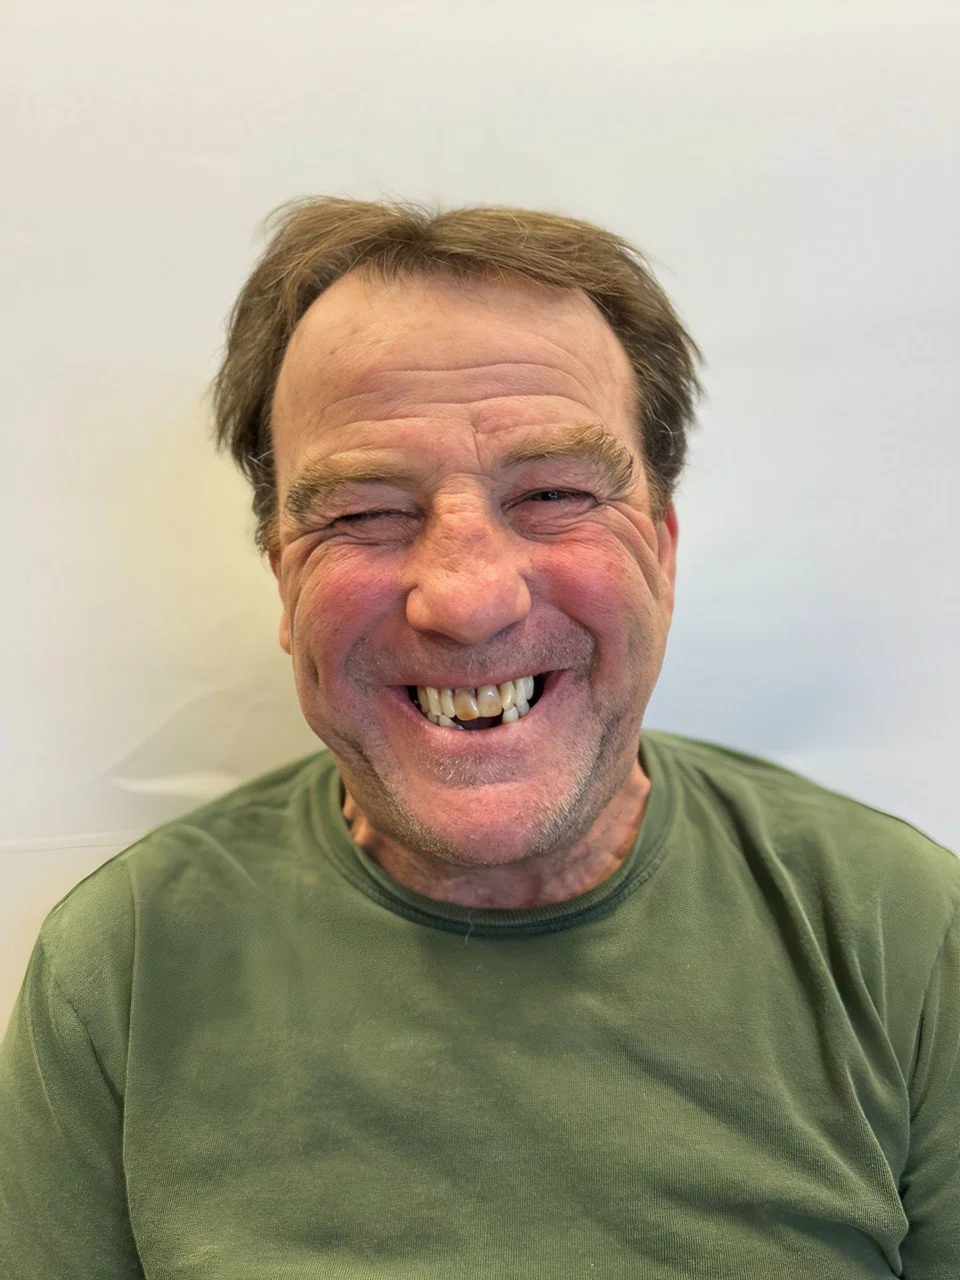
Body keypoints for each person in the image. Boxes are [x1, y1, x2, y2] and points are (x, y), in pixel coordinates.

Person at [1, 197, 957, 1279]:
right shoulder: (122, 969)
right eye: (362, 510)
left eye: (552, 492)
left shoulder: (899, 930)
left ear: (663, 548)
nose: (464, 597)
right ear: (282, 573)